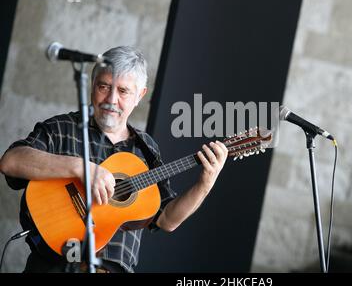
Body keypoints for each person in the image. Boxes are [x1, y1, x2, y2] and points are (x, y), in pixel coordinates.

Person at [0, 46, 228, 273]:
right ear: (91, 86)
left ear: (140, 95)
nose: (111, 99)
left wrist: (205, 183)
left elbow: (167, 219)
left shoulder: (146, 149)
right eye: (104, 87)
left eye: (123, 91)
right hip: (58, 266)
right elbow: (11, 161)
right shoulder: (62, 127)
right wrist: (80, 167)